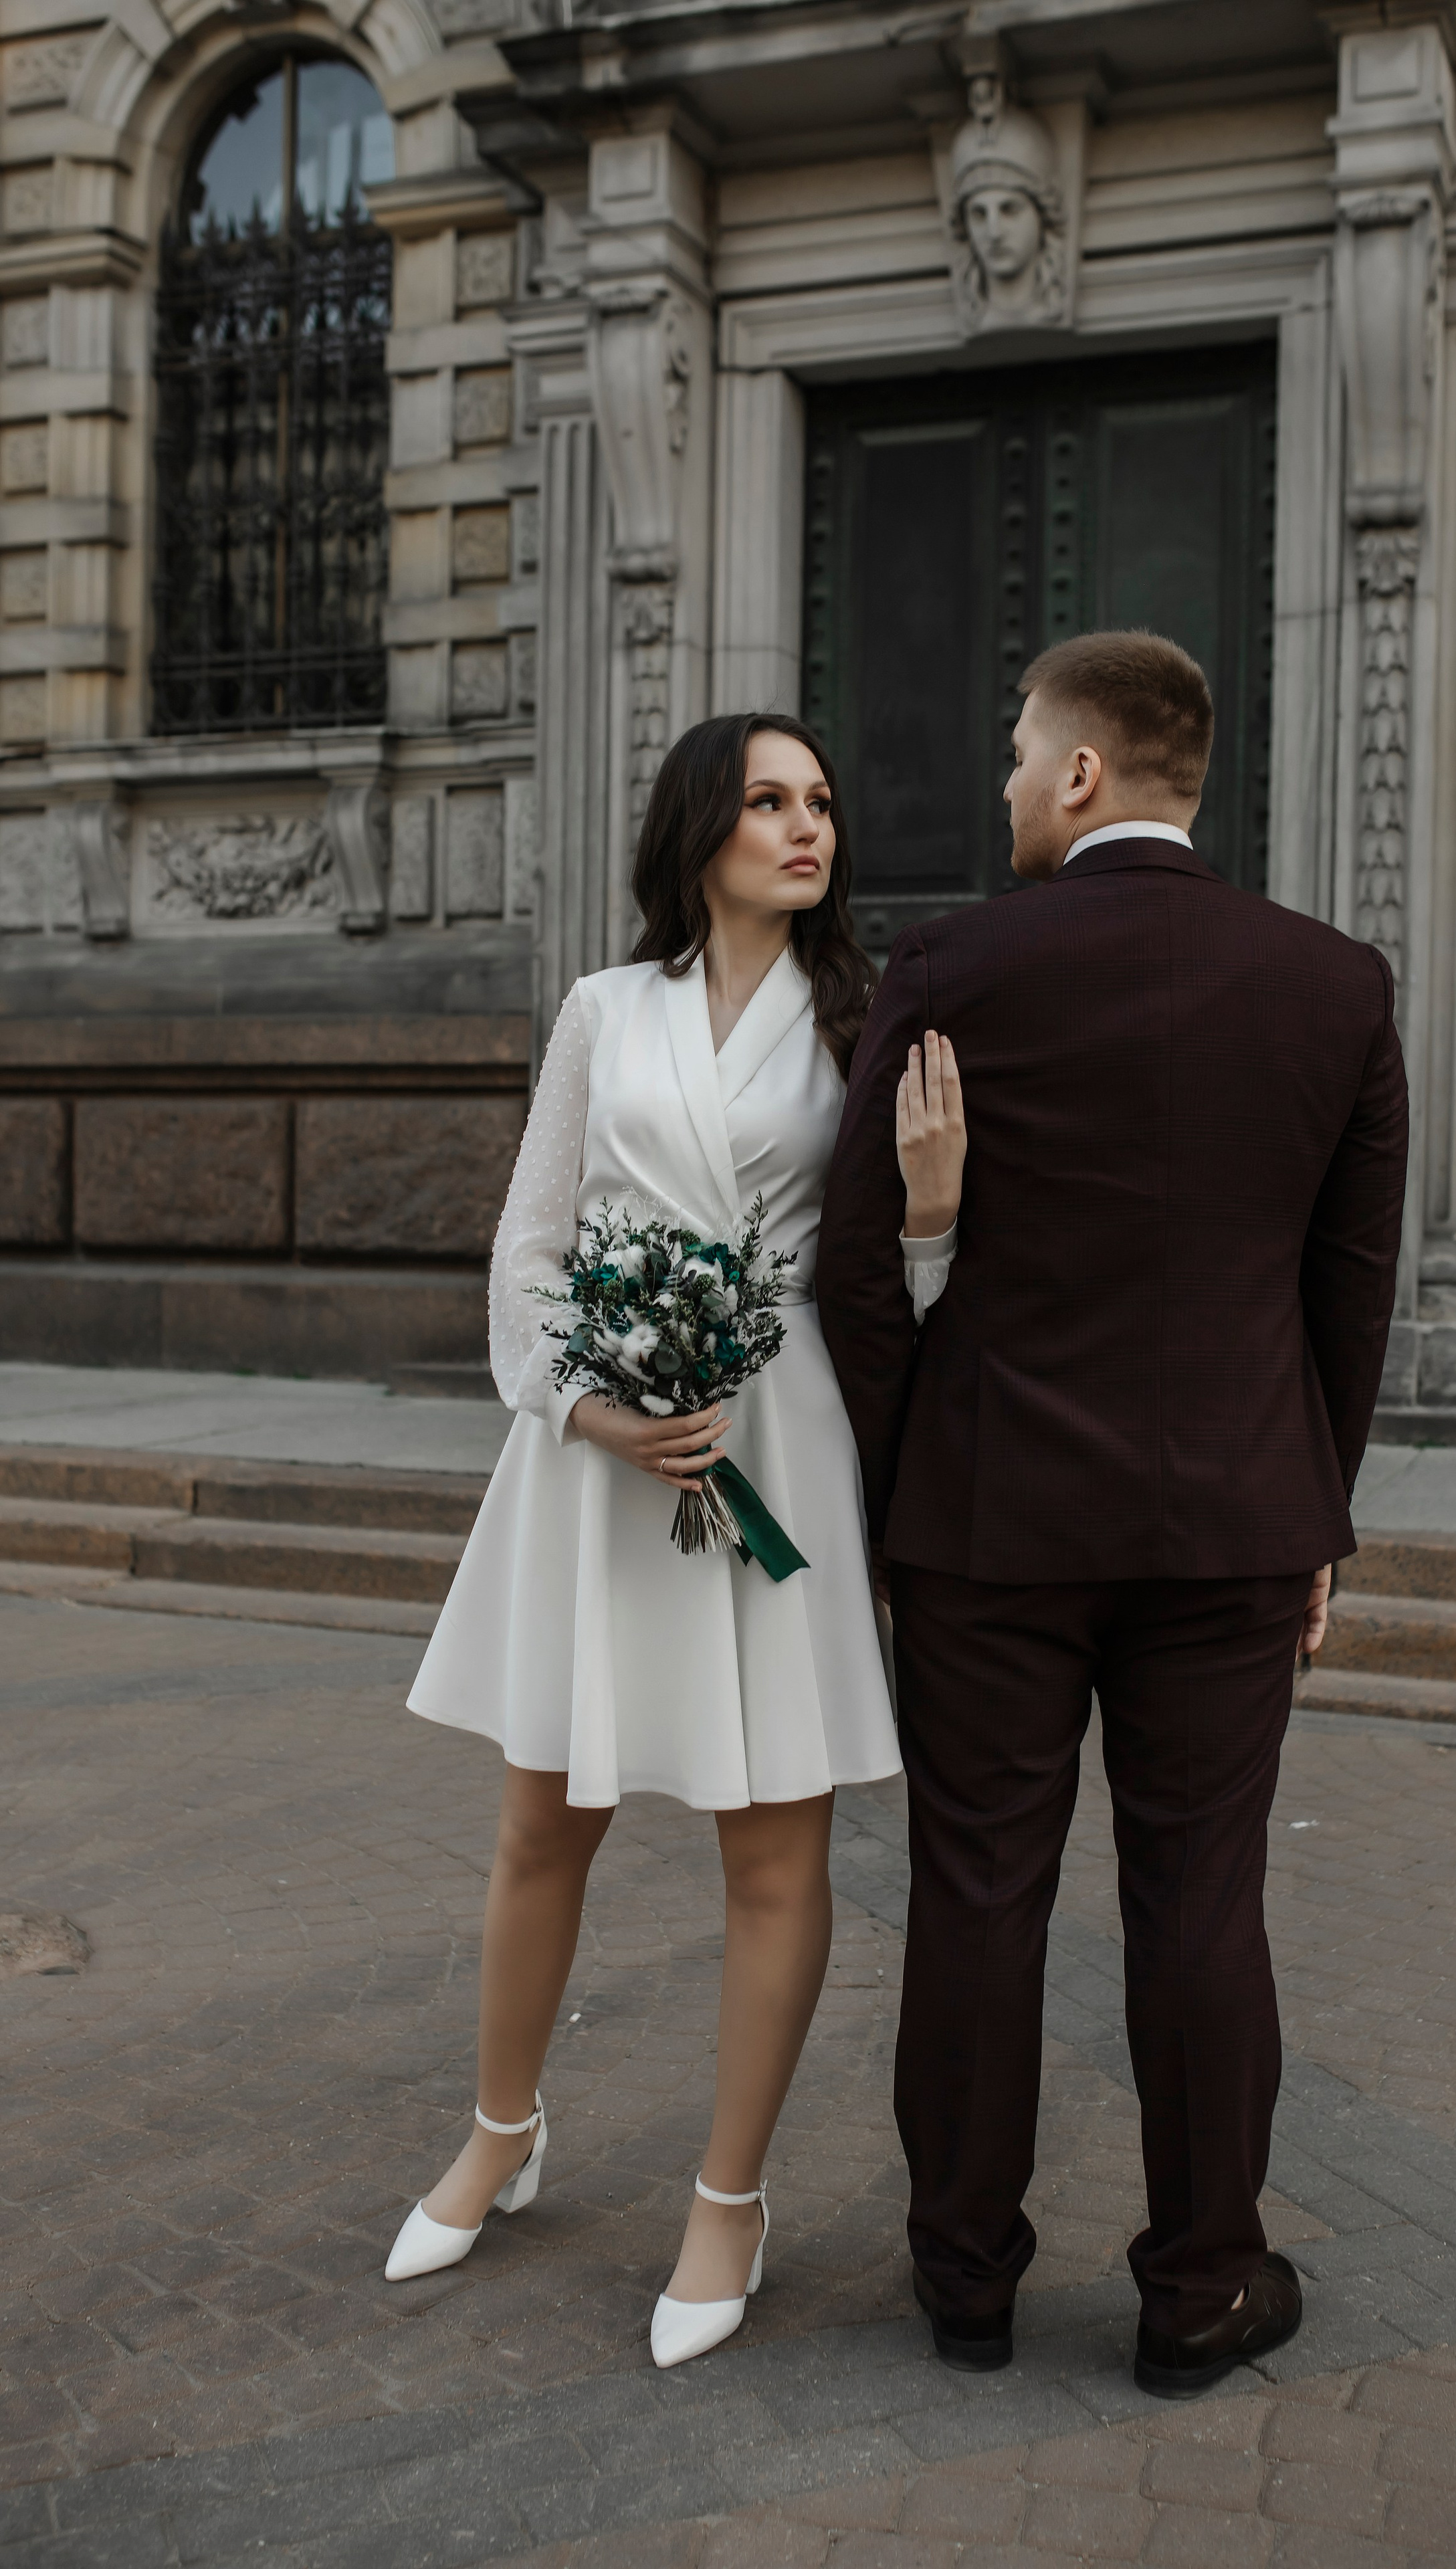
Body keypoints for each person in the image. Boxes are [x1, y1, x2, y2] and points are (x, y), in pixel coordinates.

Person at [817, 629, 1409, 2400]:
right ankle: (1205, 2289)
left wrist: (891, 1507)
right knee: (1203, 1904)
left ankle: (967, 2281)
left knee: (978, 1893)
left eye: (1018, 752)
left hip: (989, 1524)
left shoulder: (951, 968)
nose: (1004, 779)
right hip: (1234, 1521)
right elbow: (1351, 1293)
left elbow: (859, 1275)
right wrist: (1317, 1518)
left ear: (1082, 773)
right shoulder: (1334, 985)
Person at [391, 713, 961, 2370]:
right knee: (540, 1822)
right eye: (772, 801)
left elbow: (894, 1298)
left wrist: (932, 1214)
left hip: (775, 1437)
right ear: (700, 828)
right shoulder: (602, 1011)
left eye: (824, 804)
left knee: (769, 1848)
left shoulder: (865, 1023)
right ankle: (502, 2129)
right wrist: (592, 1408)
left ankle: (729, 2196)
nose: (808, 827)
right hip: (598, 1454)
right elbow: (532, 1248)